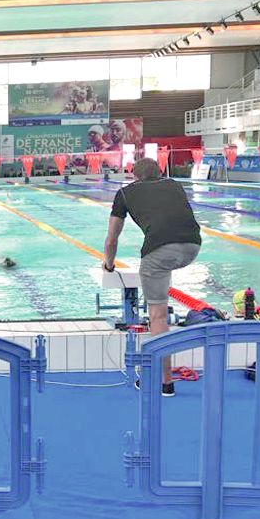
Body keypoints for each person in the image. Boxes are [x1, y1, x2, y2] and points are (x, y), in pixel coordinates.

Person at [102, 157, 201, 396]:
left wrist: (108, 265)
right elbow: (175, 216)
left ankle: (164, 382)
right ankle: (164, 376)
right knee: (162, 269)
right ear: (159, 173)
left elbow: (112, 239)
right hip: (193, 247)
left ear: (134, 176)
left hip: (158, 254)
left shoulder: (125, 194)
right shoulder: (175, 185)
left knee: (158, 318)